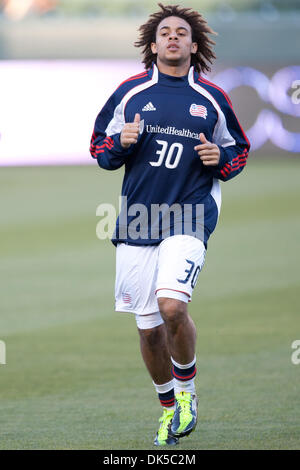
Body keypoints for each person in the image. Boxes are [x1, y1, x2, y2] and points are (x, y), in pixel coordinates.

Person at [90, 3, 250, 446]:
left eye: (182, 32)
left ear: (194, 45)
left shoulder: (213, 98)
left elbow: (238, 149)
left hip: (190, 213)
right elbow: (99, 149)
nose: (174, 37)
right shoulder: (130, 93)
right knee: (148, 328)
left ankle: (187, 394)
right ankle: (167, 408)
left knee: (172, 306)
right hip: (139, 217)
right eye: (166, 32)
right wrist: (119, 144)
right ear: (154, 44)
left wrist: (223, 162)